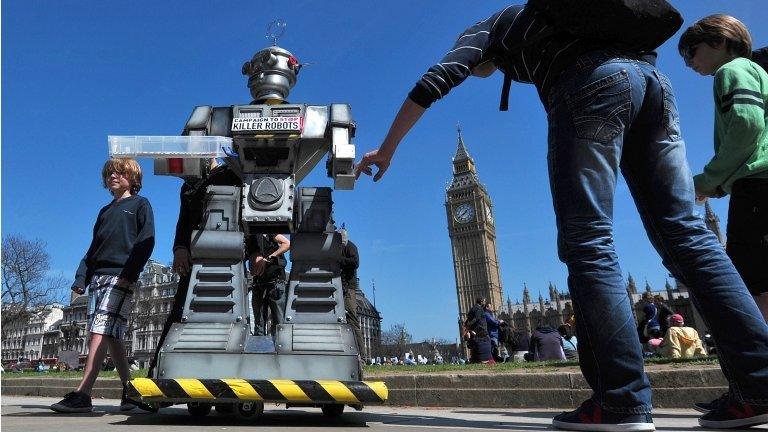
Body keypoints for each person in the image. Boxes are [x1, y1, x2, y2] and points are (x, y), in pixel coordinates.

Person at [354, 4, 768, 430]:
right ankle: (759, 384)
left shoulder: (492, 27)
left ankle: (621, 401)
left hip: (594, 85)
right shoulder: (556, 21)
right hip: (654, 86)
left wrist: (386, 149)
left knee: (588, 241)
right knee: (688, 235)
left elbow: (436, 80)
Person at [680, 16, 768, 326]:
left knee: (750, 282)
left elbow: (746, 126)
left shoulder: (731, 71)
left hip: (757, 185)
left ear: (719, 42)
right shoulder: (757, 71)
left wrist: (708, 181)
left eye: (690, 51)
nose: (688, 61)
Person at [51, 158, 155, 413]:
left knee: (99, 331)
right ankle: (131, 392)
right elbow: (93, 248)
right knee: (112, 335)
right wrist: (81, 277)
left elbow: (147, 241)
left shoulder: (141, 204)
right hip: (98, 279)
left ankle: (83, 393)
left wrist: (129, 273)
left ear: (133, 178)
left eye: (120, 173)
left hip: (121, 275)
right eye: (109, 174)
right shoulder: (104, 211)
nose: (113, 177)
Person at [148, 158, 242, 376]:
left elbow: (246, 212)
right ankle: (157, 373)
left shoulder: (232, 173)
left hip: (229, 254)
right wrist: (179, 248)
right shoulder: (189, 184)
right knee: (180, 312)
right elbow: (183, 220)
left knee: (227, 313)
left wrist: (256, 251)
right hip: (195, 256)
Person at [248, 233, 290, 336]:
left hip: (275, 281)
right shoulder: (248, 237)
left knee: (279, 321)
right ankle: (259, 346)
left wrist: (268, 258)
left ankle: (280, 347)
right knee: (259, 324)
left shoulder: (268, 233)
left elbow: (287, 243)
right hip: (258, 282)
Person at [338, 228, 365, 359]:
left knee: (352, 320)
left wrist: (339, 260)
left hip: (348, 288)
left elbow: (355, 263)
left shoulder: (350, 247)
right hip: (341, 286)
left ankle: (362, 355)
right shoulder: (343, 247)